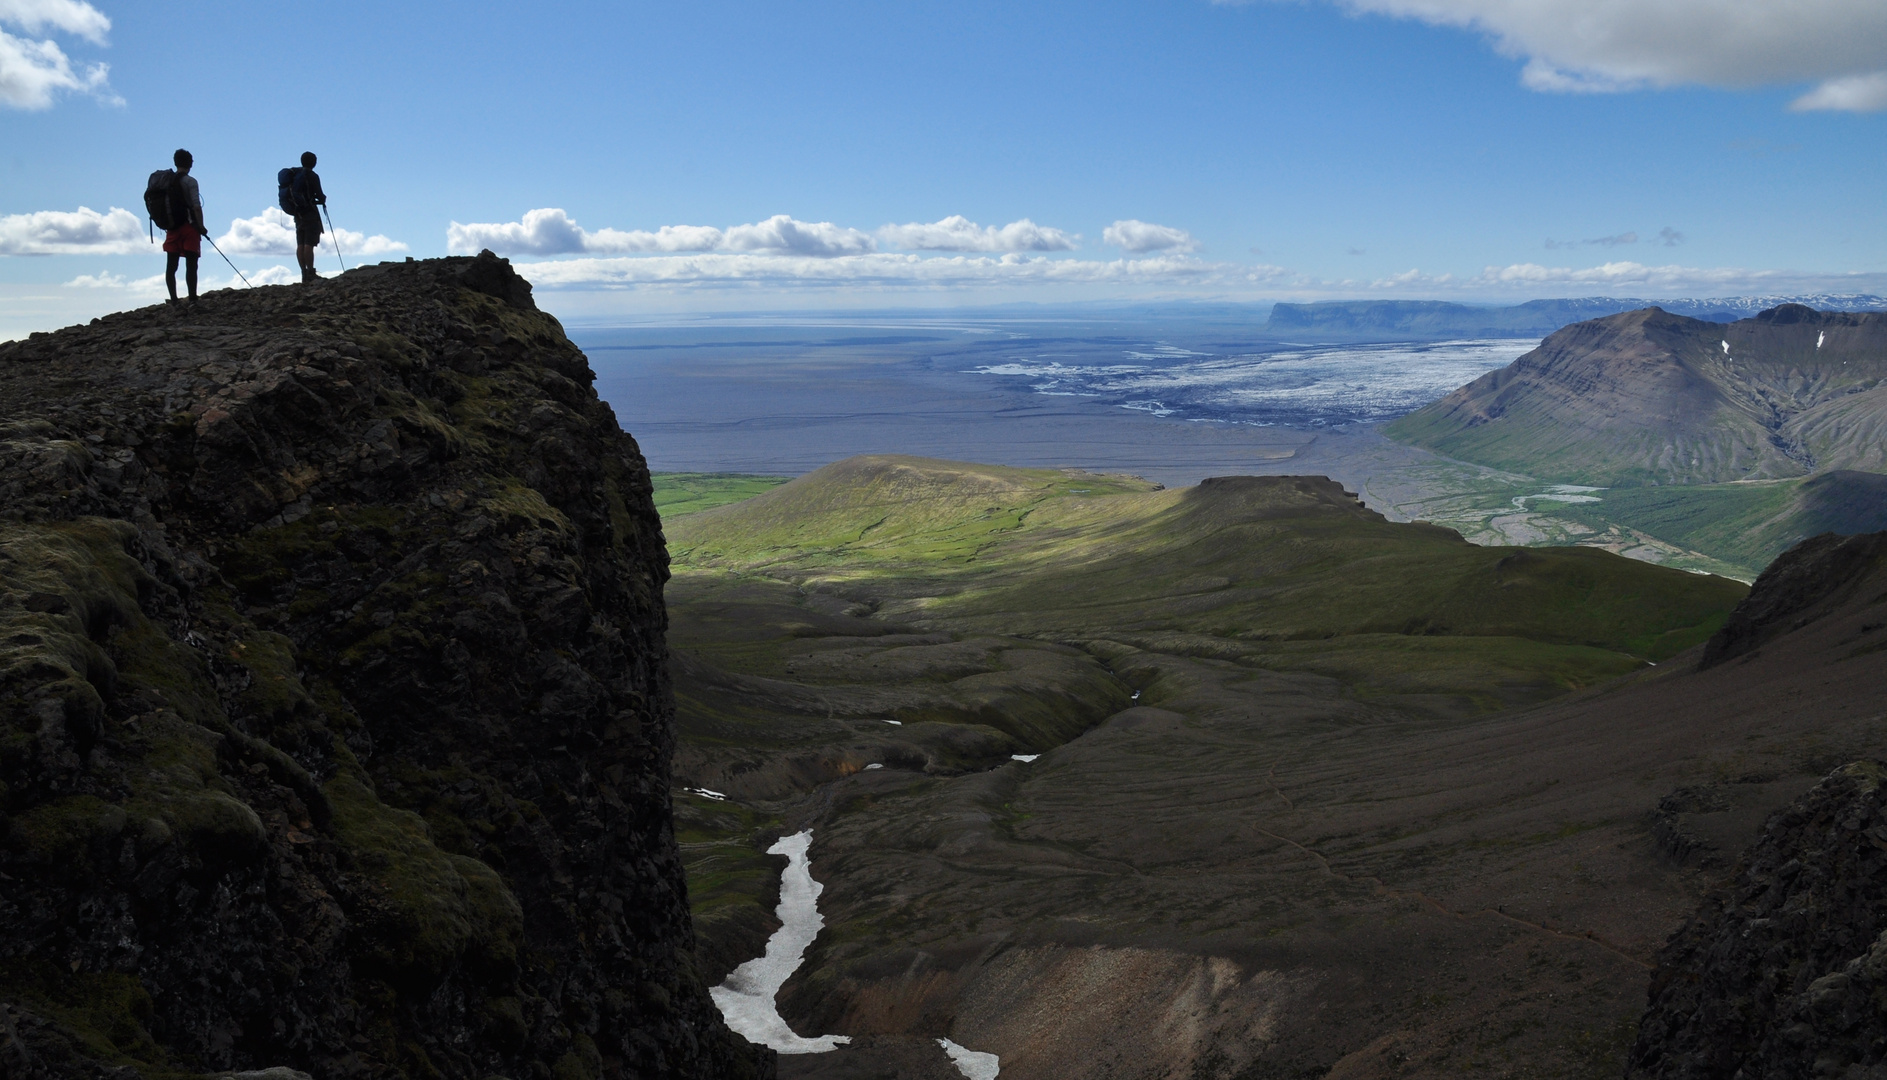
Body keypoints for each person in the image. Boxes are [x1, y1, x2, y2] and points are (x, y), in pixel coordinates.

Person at [162, 149, 207, 304]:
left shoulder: (167, 181)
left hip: (172, 227)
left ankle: (174, 299)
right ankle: (193, 298)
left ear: (175, 162)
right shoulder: (191, 182)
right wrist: (201, 226)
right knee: (191, 264)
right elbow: (196, 206)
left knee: (171, 266)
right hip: (189, 227)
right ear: (190, 164)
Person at [290, 151, 327, 284]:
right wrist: (322, 199)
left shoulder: (296, 175)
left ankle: (304, 273)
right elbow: (320, 195)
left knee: (300, 243)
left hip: (297, 213)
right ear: (314, 162)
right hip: (310, 212)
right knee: (309, 244)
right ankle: (311, 272)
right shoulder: (312, 176)